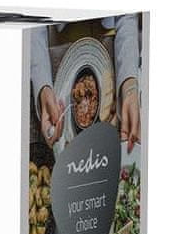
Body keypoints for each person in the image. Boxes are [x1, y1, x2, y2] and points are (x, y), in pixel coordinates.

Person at [30, 15, 141, 152]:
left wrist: (129, 84)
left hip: (111, 42)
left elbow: (127, 15)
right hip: (58, 44)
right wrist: (43, 86)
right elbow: (33, 23)